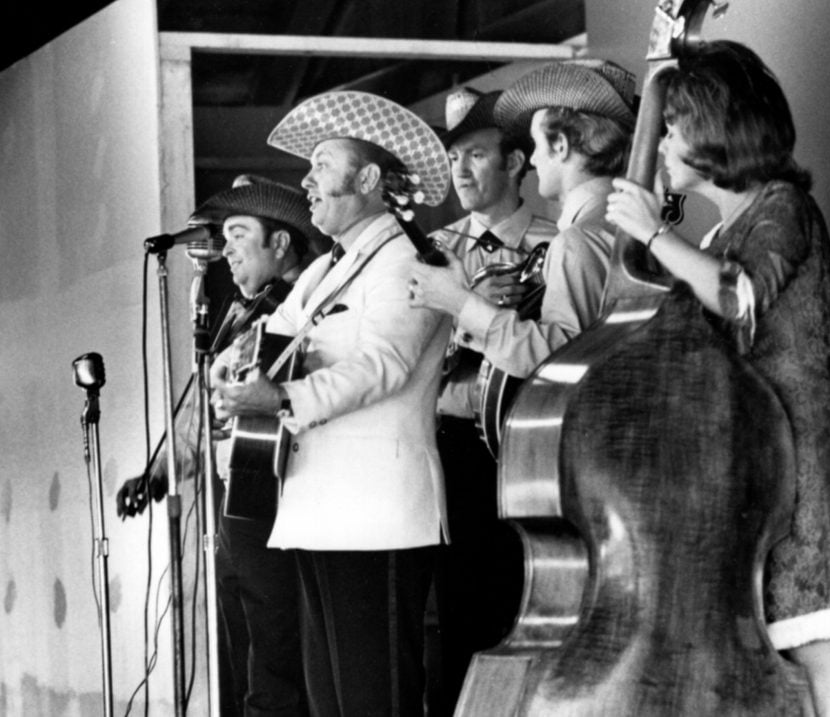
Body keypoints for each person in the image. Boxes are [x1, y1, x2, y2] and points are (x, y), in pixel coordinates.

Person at [604, 40, 830, 716]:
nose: (661, 142)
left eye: (672, 125)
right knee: (782, 658)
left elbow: (740, 297)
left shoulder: (781, 206)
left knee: (817, 652)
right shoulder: (721, 231)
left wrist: (654, 235)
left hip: (802, 458)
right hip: (757, 461)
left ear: (713, 128)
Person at [211, 90, 452, 717]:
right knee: (330, 703)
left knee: (377, 699)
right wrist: (231, 373)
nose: (307, 181)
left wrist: (282, 393)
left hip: (378, 515)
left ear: (368, 179)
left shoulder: (410, 261)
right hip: (318, 509)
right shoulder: (323, 273)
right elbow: (262, 342)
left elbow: (386, 365)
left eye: (322, 164)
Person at [116, 173, 327, 716]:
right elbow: (200, 403)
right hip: (237, 497)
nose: (227, 249)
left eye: (239, 233)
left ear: (280, 243)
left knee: (276, 645)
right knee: (243, 634)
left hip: (283, 493)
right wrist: (161, 470)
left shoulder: (303, 307)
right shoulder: (240, 310)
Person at [427, 86, 557, 717]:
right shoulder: (432, 252)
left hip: (531, 449)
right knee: (455, 620)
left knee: (531, 608)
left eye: (475, 154)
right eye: (454, 156)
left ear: (515, 163)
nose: (460, 169)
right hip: (451, 452)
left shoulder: (556, 242)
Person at [408, 58, 635, 417]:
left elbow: (560, 359)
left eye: (535, 143)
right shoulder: (632, 227)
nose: (533, 158)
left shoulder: (575, 241)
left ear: (559, 146)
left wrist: (461, 304)